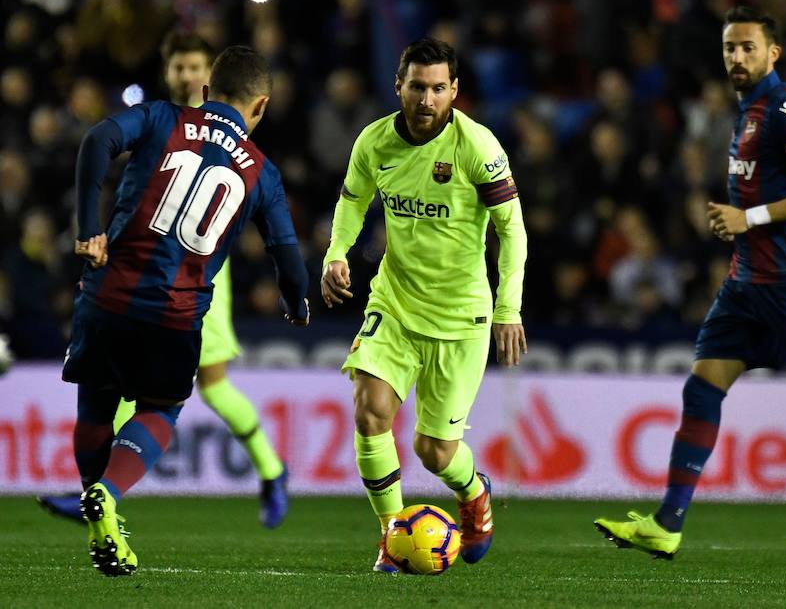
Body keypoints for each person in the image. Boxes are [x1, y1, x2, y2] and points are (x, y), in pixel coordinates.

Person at [593, 6, 786, 560]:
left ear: (772, 53)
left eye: (748, 47)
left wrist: (749, 220)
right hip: (745, 284)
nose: (736, 56)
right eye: (730, 47)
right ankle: (667, 524)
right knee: (701, 388)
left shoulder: (785, 108)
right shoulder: (746, 111)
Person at [62, 45, 309, 576]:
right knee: (160, 410)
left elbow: (98, 138)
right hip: (174, 315)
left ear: (204, 91)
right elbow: (286, 254)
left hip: (108, 295)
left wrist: (88, 227)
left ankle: (95, 505)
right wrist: (296, 302)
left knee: (95, 407)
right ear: (261, 105)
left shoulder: (160, 116)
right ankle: (107, 493)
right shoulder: (262, 171)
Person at [320, 37, 528, 572]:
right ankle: (392, 536)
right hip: (395, 301)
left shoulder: (477, 147)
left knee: (433, 451)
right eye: (417, 87)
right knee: (370, 411)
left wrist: (509, 308)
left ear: (454, 91)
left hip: (462, 317)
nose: (427, 99)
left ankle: (474, 492)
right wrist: (336, 253)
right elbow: (352, 201)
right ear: (399, 86)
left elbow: (513, 230)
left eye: (439, 89)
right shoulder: (374, 142)